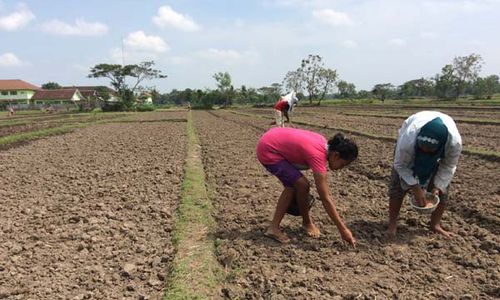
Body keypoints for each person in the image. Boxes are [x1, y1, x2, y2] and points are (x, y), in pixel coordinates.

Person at [256, 127, 358, 246]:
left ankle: (305, 222)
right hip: (268, 150)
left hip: (271, 139)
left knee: (298, 185)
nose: (342, 167)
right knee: (300, 185)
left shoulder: (322, 143)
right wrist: (343, 230)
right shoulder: (317, 156)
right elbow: (325, 197)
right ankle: (278, 228)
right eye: (343, 164)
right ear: (336, 155)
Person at [388, 111, 462, 238]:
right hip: (409, 150)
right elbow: (400, 165)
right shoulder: (408, 139)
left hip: (439, 154)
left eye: (430, 150)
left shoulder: (453, 143)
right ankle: (392, 225)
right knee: (397, 186)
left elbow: (448, 166)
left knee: (443, 189)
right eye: (423, 148)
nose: (426, 152)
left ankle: (435, 225)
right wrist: (415, 187)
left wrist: (437, 186)